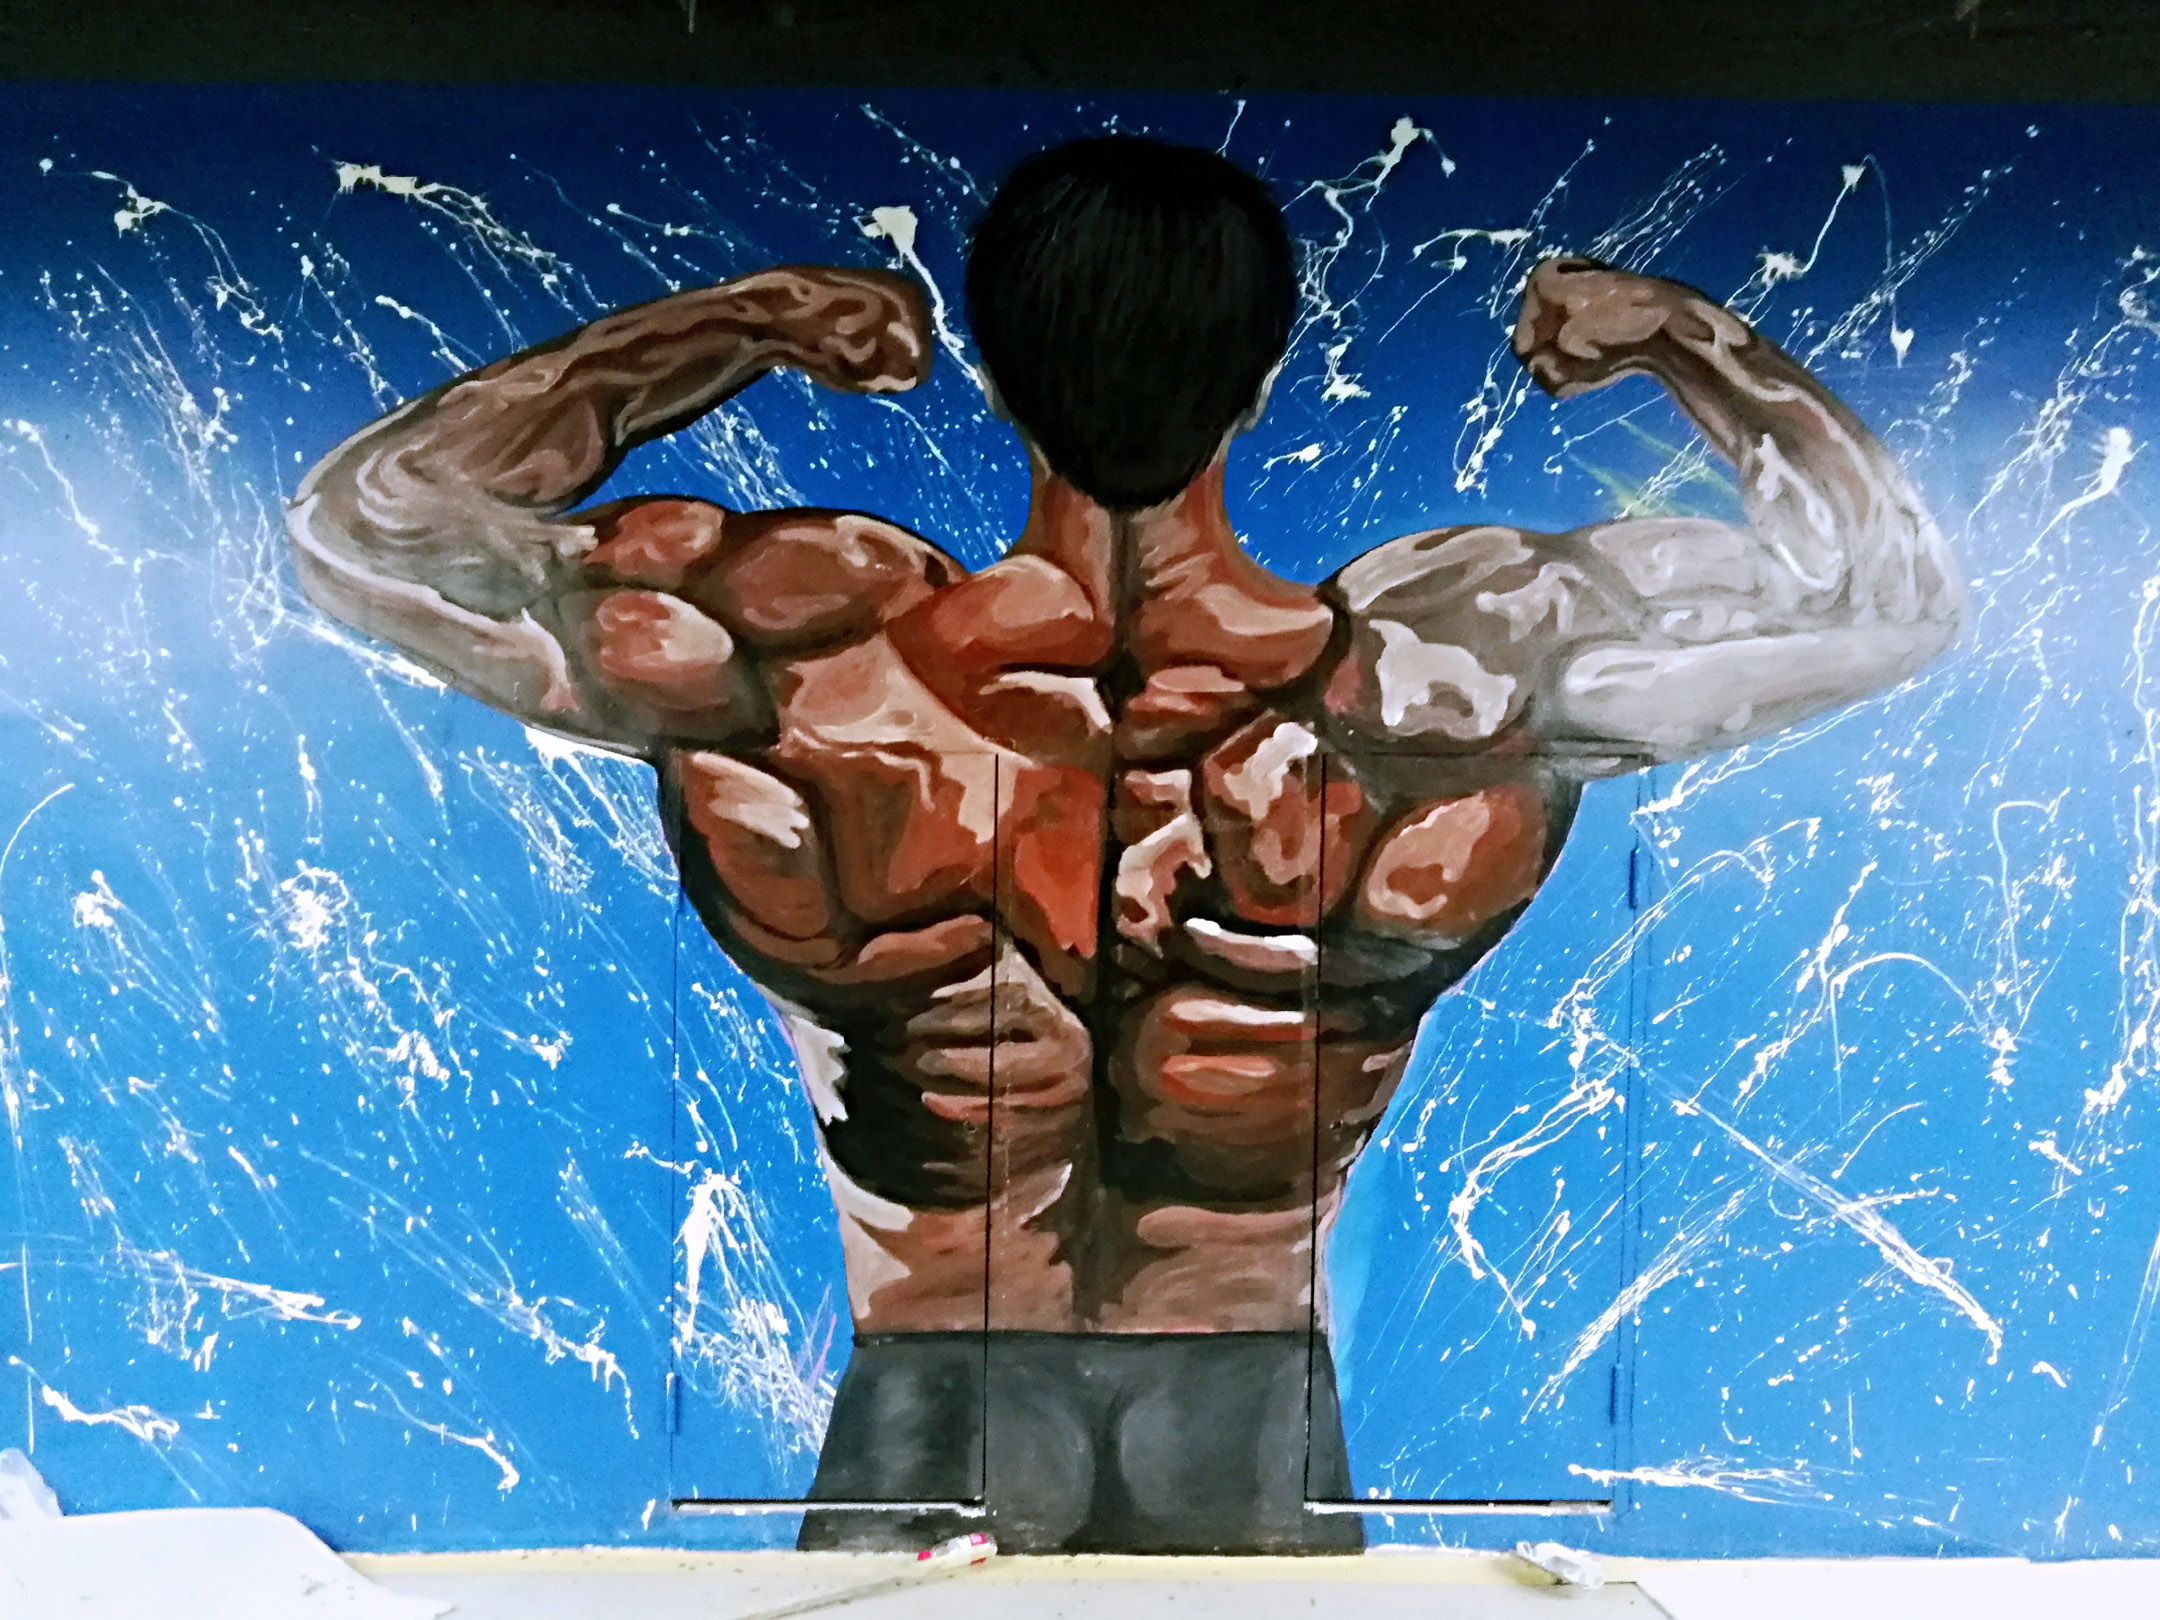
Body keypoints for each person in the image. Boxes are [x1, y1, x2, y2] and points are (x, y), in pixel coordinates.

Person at [286, 135, 1961, 1552]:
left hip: (929, 1398)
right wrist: (1678, 341)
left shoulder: (802, 660)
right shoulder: (1447, 679)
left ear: (993, 374)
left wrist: (740, 327)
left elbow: (370, 526)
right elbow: (1885, 603)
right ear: (1262, 380)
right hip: (1248, 1407)